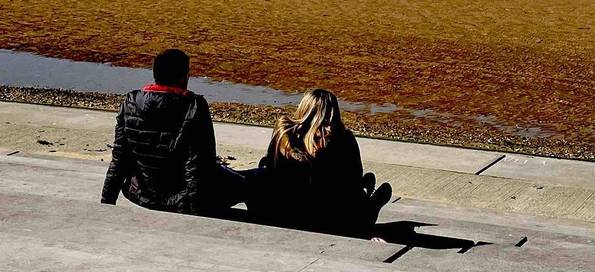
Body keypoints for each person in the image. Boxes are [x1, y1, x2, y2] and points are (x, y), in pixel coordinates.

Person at [101, 48, 248, 215]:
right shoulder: (194, 106)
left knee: (238, 177)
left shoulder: (131, 102)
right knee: (254, 182)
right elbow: (197, 166)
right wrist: (194, 213)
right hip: (182, 199)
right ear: (183, 76)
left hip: (141, 194)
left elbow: (119, 159)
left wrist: (106, 203)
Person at [252, 88, 392, 237]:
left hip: (287, 211)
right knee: (377, 191)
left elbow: (269, 167)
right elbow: (353, 180)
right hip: (335, 219)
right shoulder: (343, 139)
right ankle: (372, 198)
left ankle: (367, 189)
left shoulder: (284, 133)